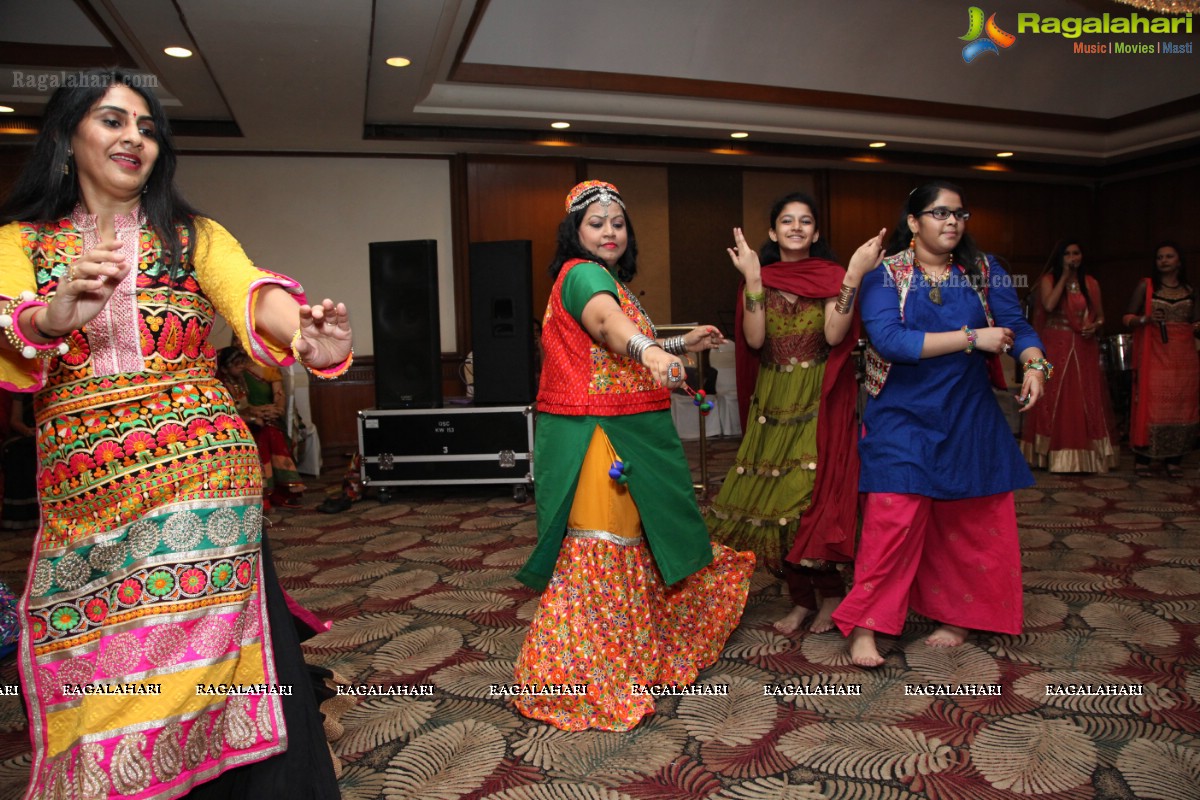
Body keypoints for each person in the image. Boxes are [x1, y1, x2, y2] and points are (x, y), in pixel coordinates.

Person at [0, 69, 351, 799]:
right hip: (87, 496)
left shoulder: (193, 236)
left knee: (233, 659)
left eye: (148, 126)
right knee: (103, 663)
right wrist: (53, 315)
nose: (135, 137)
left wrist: (307, 340)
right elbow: (12, 318)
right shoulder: (20, 240)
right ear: (67, 136)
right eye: (111, 120)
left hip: (203, 487)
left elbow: (251, 293)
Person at [513, 180, 755, 731]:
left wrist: (673, 345)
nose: (608, 232)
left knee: (635, 548)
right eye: (595, 222)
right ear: (574, 231)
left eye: (617, 222)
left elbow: (606, 343)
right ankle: (587, 678)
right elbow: (606, 325)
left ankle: (630, 658)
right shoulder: (583, 276)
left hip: (625, 435)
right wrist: (648, 348)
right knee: (604, 553)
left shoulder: (606, 282)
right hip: (604, 442)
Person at [831, 180, 1049, 668]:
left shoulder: (983, 269)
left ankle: (957, 614)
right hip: (903, 417)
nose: (952, 222)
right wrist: (973, 337)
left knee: (969, 522)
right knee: (892, 520)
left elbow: (1019, 328)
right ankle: (867, 625)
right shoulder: (885, 275)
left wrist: (1035, 364)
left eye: (959, 213)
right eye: (939, 213)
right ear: (913, 222)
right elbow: (891, 341)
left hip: (969, 414)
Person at [706, 192, 883, 635]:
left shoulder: (830, 276)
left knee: (807, 502)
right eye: (788, 221)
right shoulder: (758, 276)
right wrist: (751, 281)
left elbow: (835, 331)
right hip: (773, 399)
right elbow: (753, 340)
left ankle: (831, 596)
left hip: (815, 399)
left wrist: (853, 277)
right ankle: (802, 600)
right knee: (773, 507)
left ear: (816, 232)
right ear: (773, 231)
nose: (797, 227)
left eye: (806, 221)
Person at [1020, 240, 1117, 472]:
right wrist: (1064, 275)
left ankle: (1087, 456)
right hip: (1056, 343)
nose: (1072, 257)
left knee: (1085, 394)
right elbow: (1049, 304)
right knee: (1054, 395)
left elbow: (1102, 317)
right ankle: (1048, 454)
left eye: (1076, 253)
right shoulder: (1048, 281)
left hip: (1084, 346)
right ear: (1060, 258)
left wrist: (1095, 326)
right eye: (1067, 254)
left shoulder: (1091, 284)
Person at [1122, 241, 1200, 477]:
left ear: (1179, 261)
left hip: (1184, 357)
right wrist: (1144, 320)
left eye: (1169, 256)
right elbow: (1126, 317)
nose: (1164, 260)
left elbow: (1195, 324)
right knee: (1151, 402)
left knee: (1182, 406)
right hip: (1154, 353)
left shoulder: (1190, 290)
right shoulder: (1147, 287)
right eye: (1160, 257)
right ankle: (1144, 457)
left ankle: (1174, 459)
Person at [218, 344, 306, 509]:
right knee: (266, 434)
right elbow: (232, 410)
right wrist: (255, 415)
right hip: (240, 424)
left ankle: (283, 488)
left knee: (270, 431)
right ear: (225, 368)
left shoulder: (243, 378)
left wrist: (272, 410)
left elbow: (274, 397)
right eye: (237, 364)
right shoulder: (225, 384)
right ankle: (271, 491)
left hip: (261, 418)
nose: (242, 366)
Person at [1, 391, 39, 529]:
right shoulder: (21, 388)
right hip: (26, 432)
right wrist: (28, 431)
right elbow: (15, 420)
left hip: (48, 432)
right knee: (18, 451)